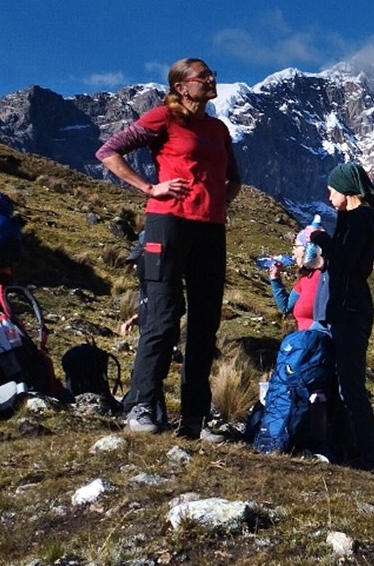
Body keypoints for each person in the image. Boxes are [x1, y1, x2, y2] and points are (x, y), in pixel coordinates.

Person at [96, 58, 241, 439]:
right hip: (168, 223)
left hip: (210, 230)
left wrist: (219, 201)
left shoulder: (218, 128)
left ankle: (195, 417)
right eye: (203, 76)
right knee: (162, 316)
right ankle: (142, 405)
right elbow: (109, 152)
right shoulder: (164, 117)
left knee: (205, 324)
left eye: (213, 74)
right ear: (181, 86)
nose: (212, 79)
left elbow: (235, 177)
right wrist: (149, 187)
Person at [302, 162, 374, 470]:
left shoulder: (360, 219)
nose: (328, 197)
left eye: (331, 191)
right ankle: (348, 446)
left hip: (350, 312)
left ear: (346, 190)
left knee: (351, 387)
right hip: (346, 310)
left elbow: (346, 260)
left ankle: (368, 456)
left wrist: (320, 238)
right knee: (341, 384)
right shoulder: (354, 219)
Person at [268, 226, 328, 332]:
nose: (293, 251)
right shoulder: (305, 277)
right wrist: (275, 277)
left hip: (319, 341)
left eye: (296, 246)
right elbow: (286, 307)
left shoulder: (326, 276)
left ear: (308, 249)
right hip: (304, 339)